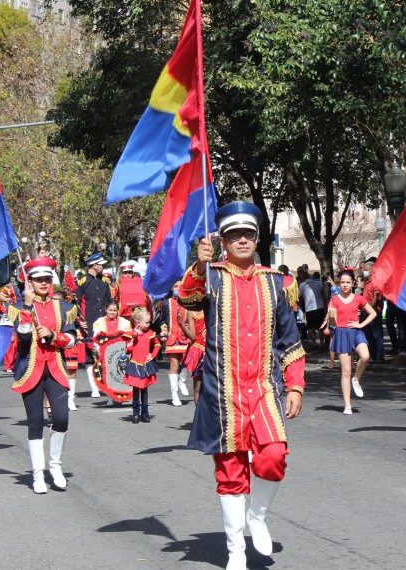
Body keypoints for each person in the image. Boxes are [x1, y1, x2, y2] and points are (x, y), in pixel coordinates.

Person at [178, 201, 305, 570]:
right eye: (234, 235)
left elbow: (289, 338)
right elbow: (187, 298)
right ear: (223, 240)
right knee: (230, 471)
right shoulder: (212, 276)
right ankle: (235, 551)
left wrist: (295, 385)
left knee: (274, 456)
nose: (243, 240)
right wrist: (200, 265)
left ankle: (258, 516)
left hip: (263, 389)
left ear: (256, 236)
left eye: (248, 233)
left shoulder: (274, 282)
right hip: (223, 392)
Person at [11, 257, 78, 493]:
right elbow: (23, 337)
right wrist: (28, 307)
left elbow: (72, 339)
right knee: (36, 421)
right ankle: (38, 474)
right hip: (30, 369)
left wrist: (53, 335)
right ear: (29, 282)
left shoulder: (64, 308)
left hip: (55, 368)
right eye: (38, 279)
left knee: (61, 418)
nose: (43, 283)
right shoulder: (19, 308)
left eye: (47, 279)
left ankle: (55, 466)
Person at [325, 269, 376, 414]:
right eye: (342, 282)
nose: (345, 285)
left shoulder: (358, 298)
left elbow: (373, 313)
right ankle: (348, 405)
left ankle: (357, 379)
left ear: (353, 283)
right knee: (345, 371)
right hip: (341, 333)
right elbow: (332, 321)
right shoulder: (334, 299)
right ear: (338, 283)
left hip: (356, 332)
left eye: (348, 282)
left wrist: (360, 324)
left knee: (365, 356)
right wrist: (331, 316)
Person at [75, 252, 112, 399]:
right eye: (102, 264)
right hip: (88, 323)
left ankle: (105, 384)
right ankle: (94, 387)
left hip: (103, 323)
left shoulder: (104, 282)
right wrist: (79, 320)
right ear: (94, 265)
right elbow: (75, 303)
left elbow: (110, 302)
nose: (103, 267)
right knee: (90, 357)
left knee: (104, 354)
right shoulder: (82, 282)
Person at [160, 286, 190, 406]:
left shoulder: (189, 302)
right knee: (174, 365)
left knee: (187, 363)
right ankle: (174, 395)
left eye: (180, 285)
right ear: (172, 288)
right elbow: (162, 320)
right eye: (176, 286)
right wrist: (164, 330)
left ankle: (182, 381)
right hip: (172, 338)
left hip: (186, 337)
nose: (178, 288)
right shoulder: (167, 303)